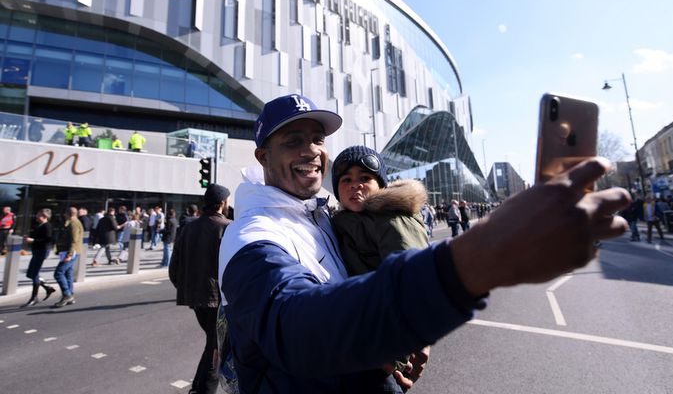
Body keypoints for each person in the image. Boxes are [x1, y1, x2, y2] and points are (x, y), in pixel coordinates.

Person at [217, 93, 630, 393]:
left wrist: (406, 335)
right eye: (292, 141)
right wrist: (479, 258)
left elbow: (363, 290)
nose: (311, 150)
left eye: (318, 139)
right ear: (262, 157)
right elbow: (296, 328)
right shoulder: (251, 236)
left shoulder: (323, 211)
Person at [330, 145, 431, 390]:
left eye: (365, 178)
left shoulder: (393, 219)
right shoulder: (346, 222)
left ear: (381, 185)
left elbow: (411, 285)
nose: (355, 185)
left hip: (385, 348)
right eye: (346, 179)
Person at [169, 184, 232, 394]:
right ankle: (204, 390)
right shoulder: (227, 227)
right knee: (216, 347)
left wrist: (187, 288)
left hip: (196, 298)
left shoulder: (189, 227)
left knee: (213, 343)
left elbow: (174, 267)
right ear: (222, 203)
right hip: (217, 298)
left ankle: (198, 387)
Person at [21, 208, 56, 307]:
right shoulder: (38, 225)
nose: (36, 216)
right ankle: (47, 287)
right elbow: (36, 237)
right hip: (36, 251)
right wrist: (28, 238)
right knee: (30, 274)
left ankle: (34, 297)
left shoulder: (47, 226)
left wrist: (33, 240)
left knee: (35, 273)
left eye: (38, 214)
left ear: (44, 216)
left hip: (42, 251)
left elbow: (48, 240)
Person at [54, 207, 83, 308]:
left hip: (71, 252)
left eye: (65, 213)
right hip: (70, 251)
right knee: (67, 273)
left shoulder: (74, 224)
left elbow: (74, 241)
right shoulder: (73, 222)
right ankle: (70, 295)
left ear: (68, 214)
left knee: (58, 273)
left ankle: (67, 295)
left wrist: (69, 255)